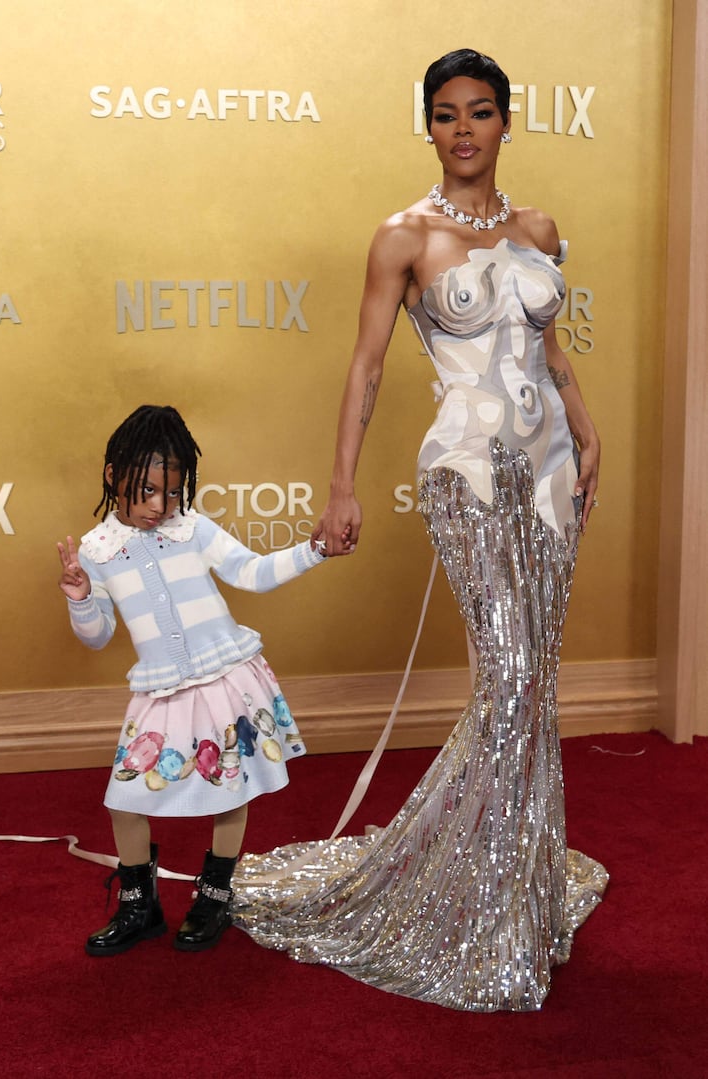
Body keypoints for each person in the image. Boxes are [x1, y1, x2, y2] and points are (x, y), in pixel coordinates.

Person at [232, 49, 608, 1012]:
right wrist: (340, 488)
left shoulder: (540, 228)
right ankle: (459, 893)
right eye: (446, 114)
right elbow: (366, 369)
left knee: (538, 683)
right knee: (512, 675)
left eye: (481, 112)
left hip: (554, 472)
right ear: (429, 126)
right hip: (467, 472)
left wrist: (588, 421)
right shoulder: (404, 237)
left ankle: (516, 889)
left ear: (506, 122)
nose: (464, 129)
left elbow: (549, 347)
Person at [57, 404, 327, 957]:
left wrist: (315, 550)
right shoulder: (95, 552)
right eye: (147, 490)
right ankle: (141, 905)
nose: (160, 506)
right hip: (161, 687)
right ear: (113, 475)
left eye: (171, 493)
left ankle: (214, 895)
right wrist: (81, 597)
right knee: (124, 798)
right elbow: (97, 636)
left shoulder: (194, 530)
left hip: (225, 676)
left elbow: (251, 572)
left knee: (233, 785)